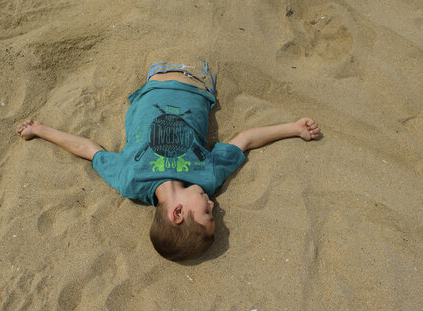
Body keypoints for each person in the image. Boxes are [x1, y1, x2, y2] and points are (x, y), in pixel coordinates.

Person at [17, 62, 321, 261]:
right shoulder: (209, 178)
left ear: (177, 213)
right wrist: (292, 129)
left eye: (208, 215)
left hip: (154, 78)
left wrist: (41, 130)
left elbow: (89, 150)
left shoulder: (130, 180)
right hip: (200, 81)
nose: (215, 207)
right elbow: (245, 140)